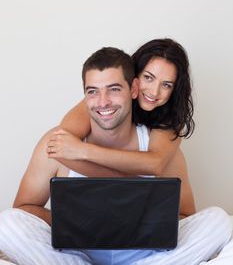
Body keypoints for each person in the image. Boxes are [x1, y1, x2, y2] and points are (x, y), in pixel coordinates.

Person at [0, 46, 231, 265]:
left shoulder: (164, 146)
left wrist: (140, 221)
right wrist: (78, 222)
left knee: (220, 222)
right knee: (6, 223)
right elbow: (24, 211)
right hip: (78, 254)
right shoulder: (60, 142)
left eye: (114, 89)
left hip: (144, 255)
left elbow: (185, 218)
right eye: (93, 91)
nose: (103, 101)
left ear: (131, 89)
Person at [46, 38, 195, 178]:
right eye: (148, 78)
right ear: (134, 79)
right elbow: (60, 147)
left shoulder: (171, 114)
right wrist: (129, 184)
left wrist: (84, 151)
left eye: (166, 85)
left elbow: (155, 164)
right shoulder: (103, 101)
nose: (154, 92)